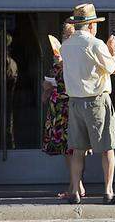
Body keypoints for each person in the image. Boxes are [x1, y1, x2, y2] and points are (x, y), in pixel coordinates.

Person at [60, 3, 115, 205]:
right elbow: (113, 68)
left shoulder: (66, 45)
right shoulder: (95, 44)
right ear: (91, 25)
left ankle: (76, 191)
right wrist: (112, 50)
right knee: (107, 148)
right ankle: (108, 191)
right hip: (96, 100)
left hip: (75, 101)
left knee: (77, 149)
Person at [41, 23, 87, 199]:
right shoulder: (59, 56)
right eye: (65, 34)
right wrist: (47, 86)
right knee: (65, 148)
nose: (67, 38)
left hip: (72, 105)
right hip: (58, 106)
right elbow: (53, 81)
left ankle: (76, 185)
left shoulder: (80, 54)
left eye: (71, 34)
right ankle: (74, 184)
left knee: (75, 147)